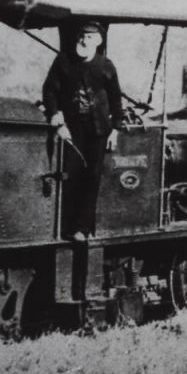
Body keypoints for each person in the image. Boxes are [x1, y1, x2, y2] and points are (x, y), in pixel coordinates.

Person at [42, 21, 125, 241]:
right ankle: (66, 228)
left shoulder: (107, 66)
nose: (84, 40)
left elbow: (116, 99)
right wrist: (56, 115)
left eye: (89, 37)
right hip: (71, 129)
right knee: (70, 174)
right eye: (82, 36)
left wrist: (115, 129)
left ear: (98, 41)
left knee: (92, 177)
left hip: (98, 130)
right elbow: (49, 90)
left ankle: (82, 229)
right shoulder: (63, 62)